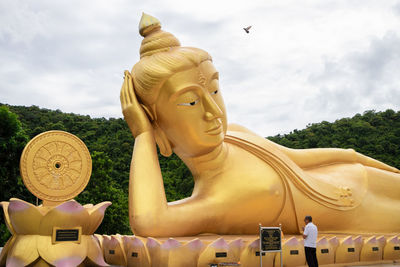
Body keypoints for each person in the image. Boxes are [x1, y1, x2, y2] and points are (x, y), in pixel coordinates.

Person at [120, 13, 400, 237]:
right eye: (190, 102)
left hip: (353, 176)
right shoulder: (217, 198)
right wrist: (143, 134)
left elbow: (298, 158)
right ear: (160, 129)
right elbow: (149, 222)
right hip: (359, 215)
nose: (213, 111)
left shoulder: (235, 135)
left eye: (215, 91)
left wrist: (356, 157)